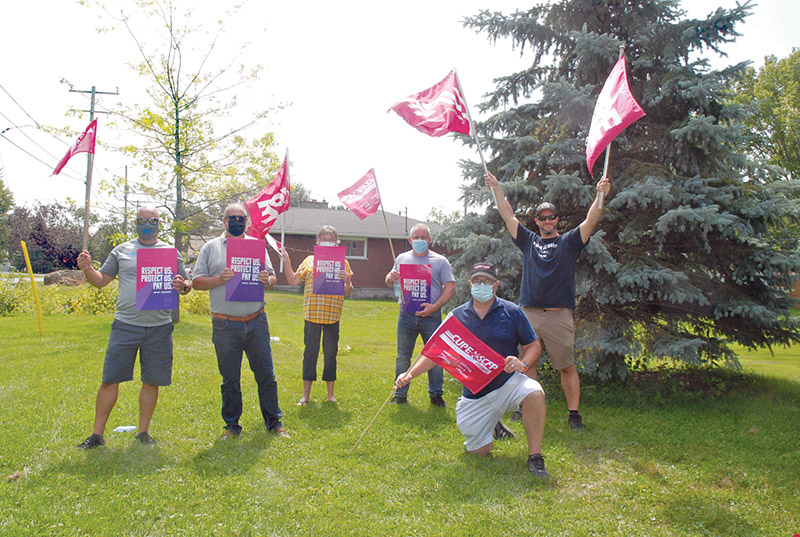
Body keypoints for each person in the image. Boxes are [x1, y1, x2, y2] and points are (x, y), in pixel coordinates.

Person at [395, 262, 549, 479]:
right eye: (477, 281)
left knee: (535, 392)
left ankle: (535, 456)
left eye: (486, 282)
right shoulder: (457, 317)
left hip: (508, 383)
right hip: (475, 394)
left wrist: (522, 364)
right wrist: (409, 374)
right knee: (478, 452)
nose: (481, 285)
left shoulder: (512, 312)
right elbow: (434, 353)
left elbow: (534, 346)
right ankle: (494, 426)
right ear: (469, 284)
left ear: (496, 285)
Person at [484, 172, 611, 431]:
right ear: (537, 221)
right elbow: (507, 214)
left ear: (557, 220)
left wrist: (601, 195)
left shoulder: (569, 242)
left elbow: (591, 220)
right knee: (526, 363)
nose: (547, 221)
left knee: (566, 366)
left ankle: (574, 413)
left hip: (558, 315)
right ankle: (525, 406)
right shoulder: (528, 241)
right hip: (529, 313)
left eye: (551, 217)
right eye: (542, 218)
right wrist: (496, 187)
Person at [76, 205, 191, 449]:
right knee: (110, 380)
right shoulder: (121, 250)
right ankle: (97, 435)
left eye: (152, 220)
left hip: (159, 328)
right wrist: (87, 268)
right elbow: (101, 281)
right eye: (142, 220)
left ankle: (143, 432)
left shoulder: (171, 252)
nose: (146, 224)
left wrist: (183, 286)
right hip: (125, 325)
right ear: (135, 222)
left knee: (152, 381)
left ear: (160, 224)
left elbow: (185, 285)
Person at [191, 203, 289, 439]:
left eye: (241, 218)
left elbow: (273, 277)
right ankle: (231, 426)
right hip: (225, 324)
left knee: (266, 375)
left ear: (246, 221)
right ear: (223, 221)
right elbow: (195, 282)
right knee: (230, 379)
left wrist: (269, 280)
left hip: (257, 321)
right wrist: (218, 279)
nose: (236, 221)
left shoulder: (257, 246)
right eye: (231, 218)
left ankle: (274, 422)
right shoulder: (210, 248)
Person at [385, 223, 455, 407]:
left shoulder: (440, 261)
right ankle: (400, 394)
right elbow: (388, 280)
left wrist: (434, 307)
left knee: (435, 356)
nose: (420, 240)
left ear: (430, 240)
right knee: (403, 356)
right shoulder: (401, 258)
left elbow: (450, 287)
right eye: (416, 237)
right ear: (410, 240)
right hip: (406, 315)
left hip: (431, 317)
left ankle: (436, 395)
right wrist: (390, 278)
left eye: (424, 237)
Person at [282, 225, 354, 405]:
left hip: (332, 316)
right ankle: (305, 395)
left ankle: (330, 395)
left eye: (331, 239)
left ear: (337, 242)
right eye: (324, 238)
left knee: (330, 355)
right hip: (312, 315)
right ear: (318, 240)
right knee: (310, 354)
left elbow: (348, 293)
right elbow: (292, 281)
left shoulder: (342, 262)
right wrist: (286, 261)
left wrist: (348, 280)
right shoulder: (308, 260)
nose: (327, 242)